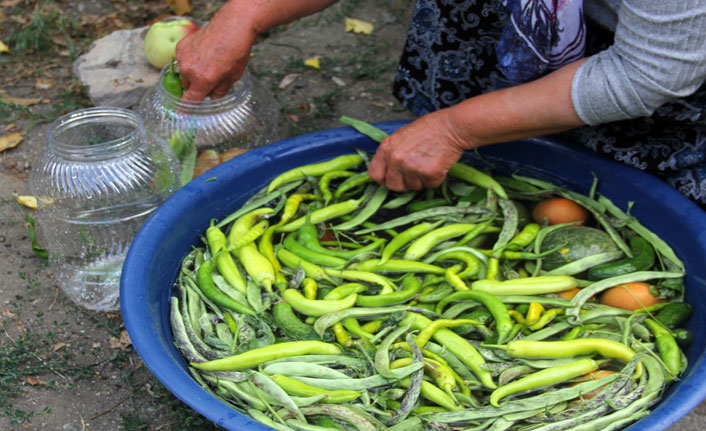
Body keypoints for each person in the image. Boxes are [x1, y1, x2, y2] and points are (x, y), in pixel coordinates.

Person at [175, 0, 706, 209]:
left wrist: (453, 129)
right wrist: (244, 15)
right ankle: (505, 116)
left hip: (674, 58)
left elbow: (651, 70)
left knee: (631, 196)